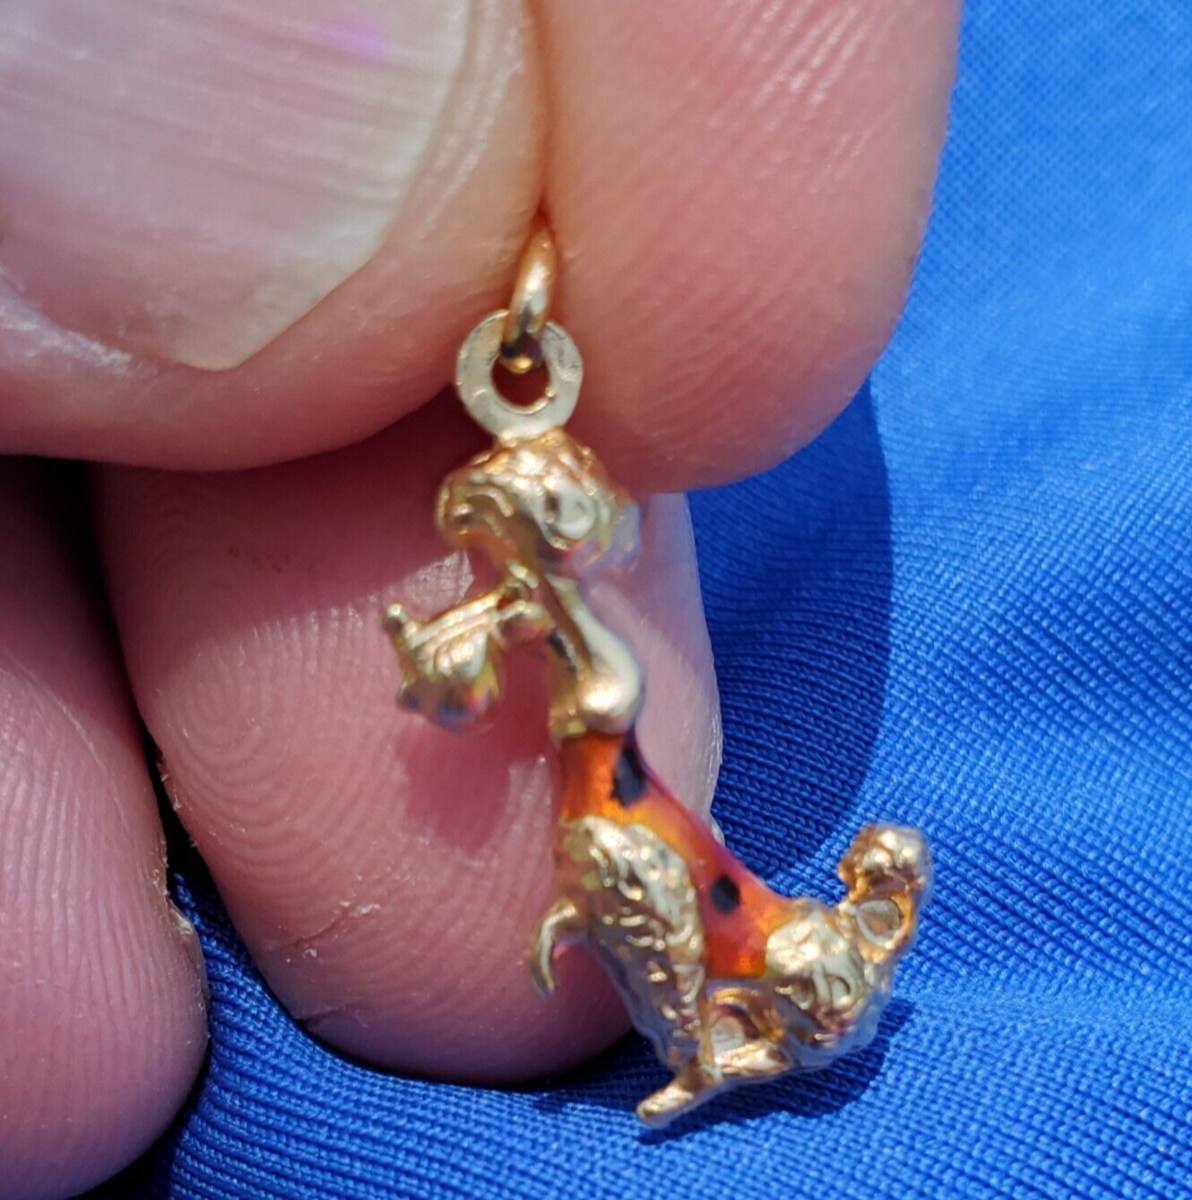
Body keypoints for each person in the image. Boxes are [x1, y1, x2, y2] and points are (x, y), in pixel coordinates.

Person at [0, 3, 963, 1197]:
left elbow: (506, 651)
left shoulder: (560, 622)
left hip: (624, 800)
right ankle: (694, 1032)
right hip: (618, 790)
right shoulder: (537, 611)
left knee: (618, 873)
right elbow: (487, 656)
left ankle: (693, 1041)